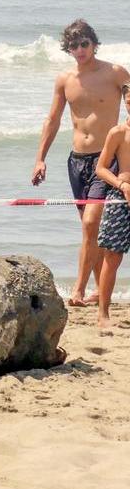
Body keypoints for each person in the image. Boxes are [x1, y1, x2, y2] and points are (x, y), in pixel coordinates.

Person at [33, 19, 130, 307]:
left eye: (84, 43)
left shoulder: (114, 73)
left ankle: (77, 290)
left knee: (90, 225)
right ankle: (101, 291)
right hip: (76, 161)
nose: (79, 49)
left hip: (106, 160)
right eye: (73, 45)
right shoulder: (65, 79)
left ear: (94, 44)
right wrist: (40, 158)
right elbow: (52, 120)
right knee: (92, 230)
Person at [93, 83, 130, 329]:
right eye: (129, 99)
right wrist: (121, 184)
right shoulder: (118, 132)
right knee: (112, 256)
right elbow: (100, 167)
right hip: (121, 197)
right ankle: (103, 312)